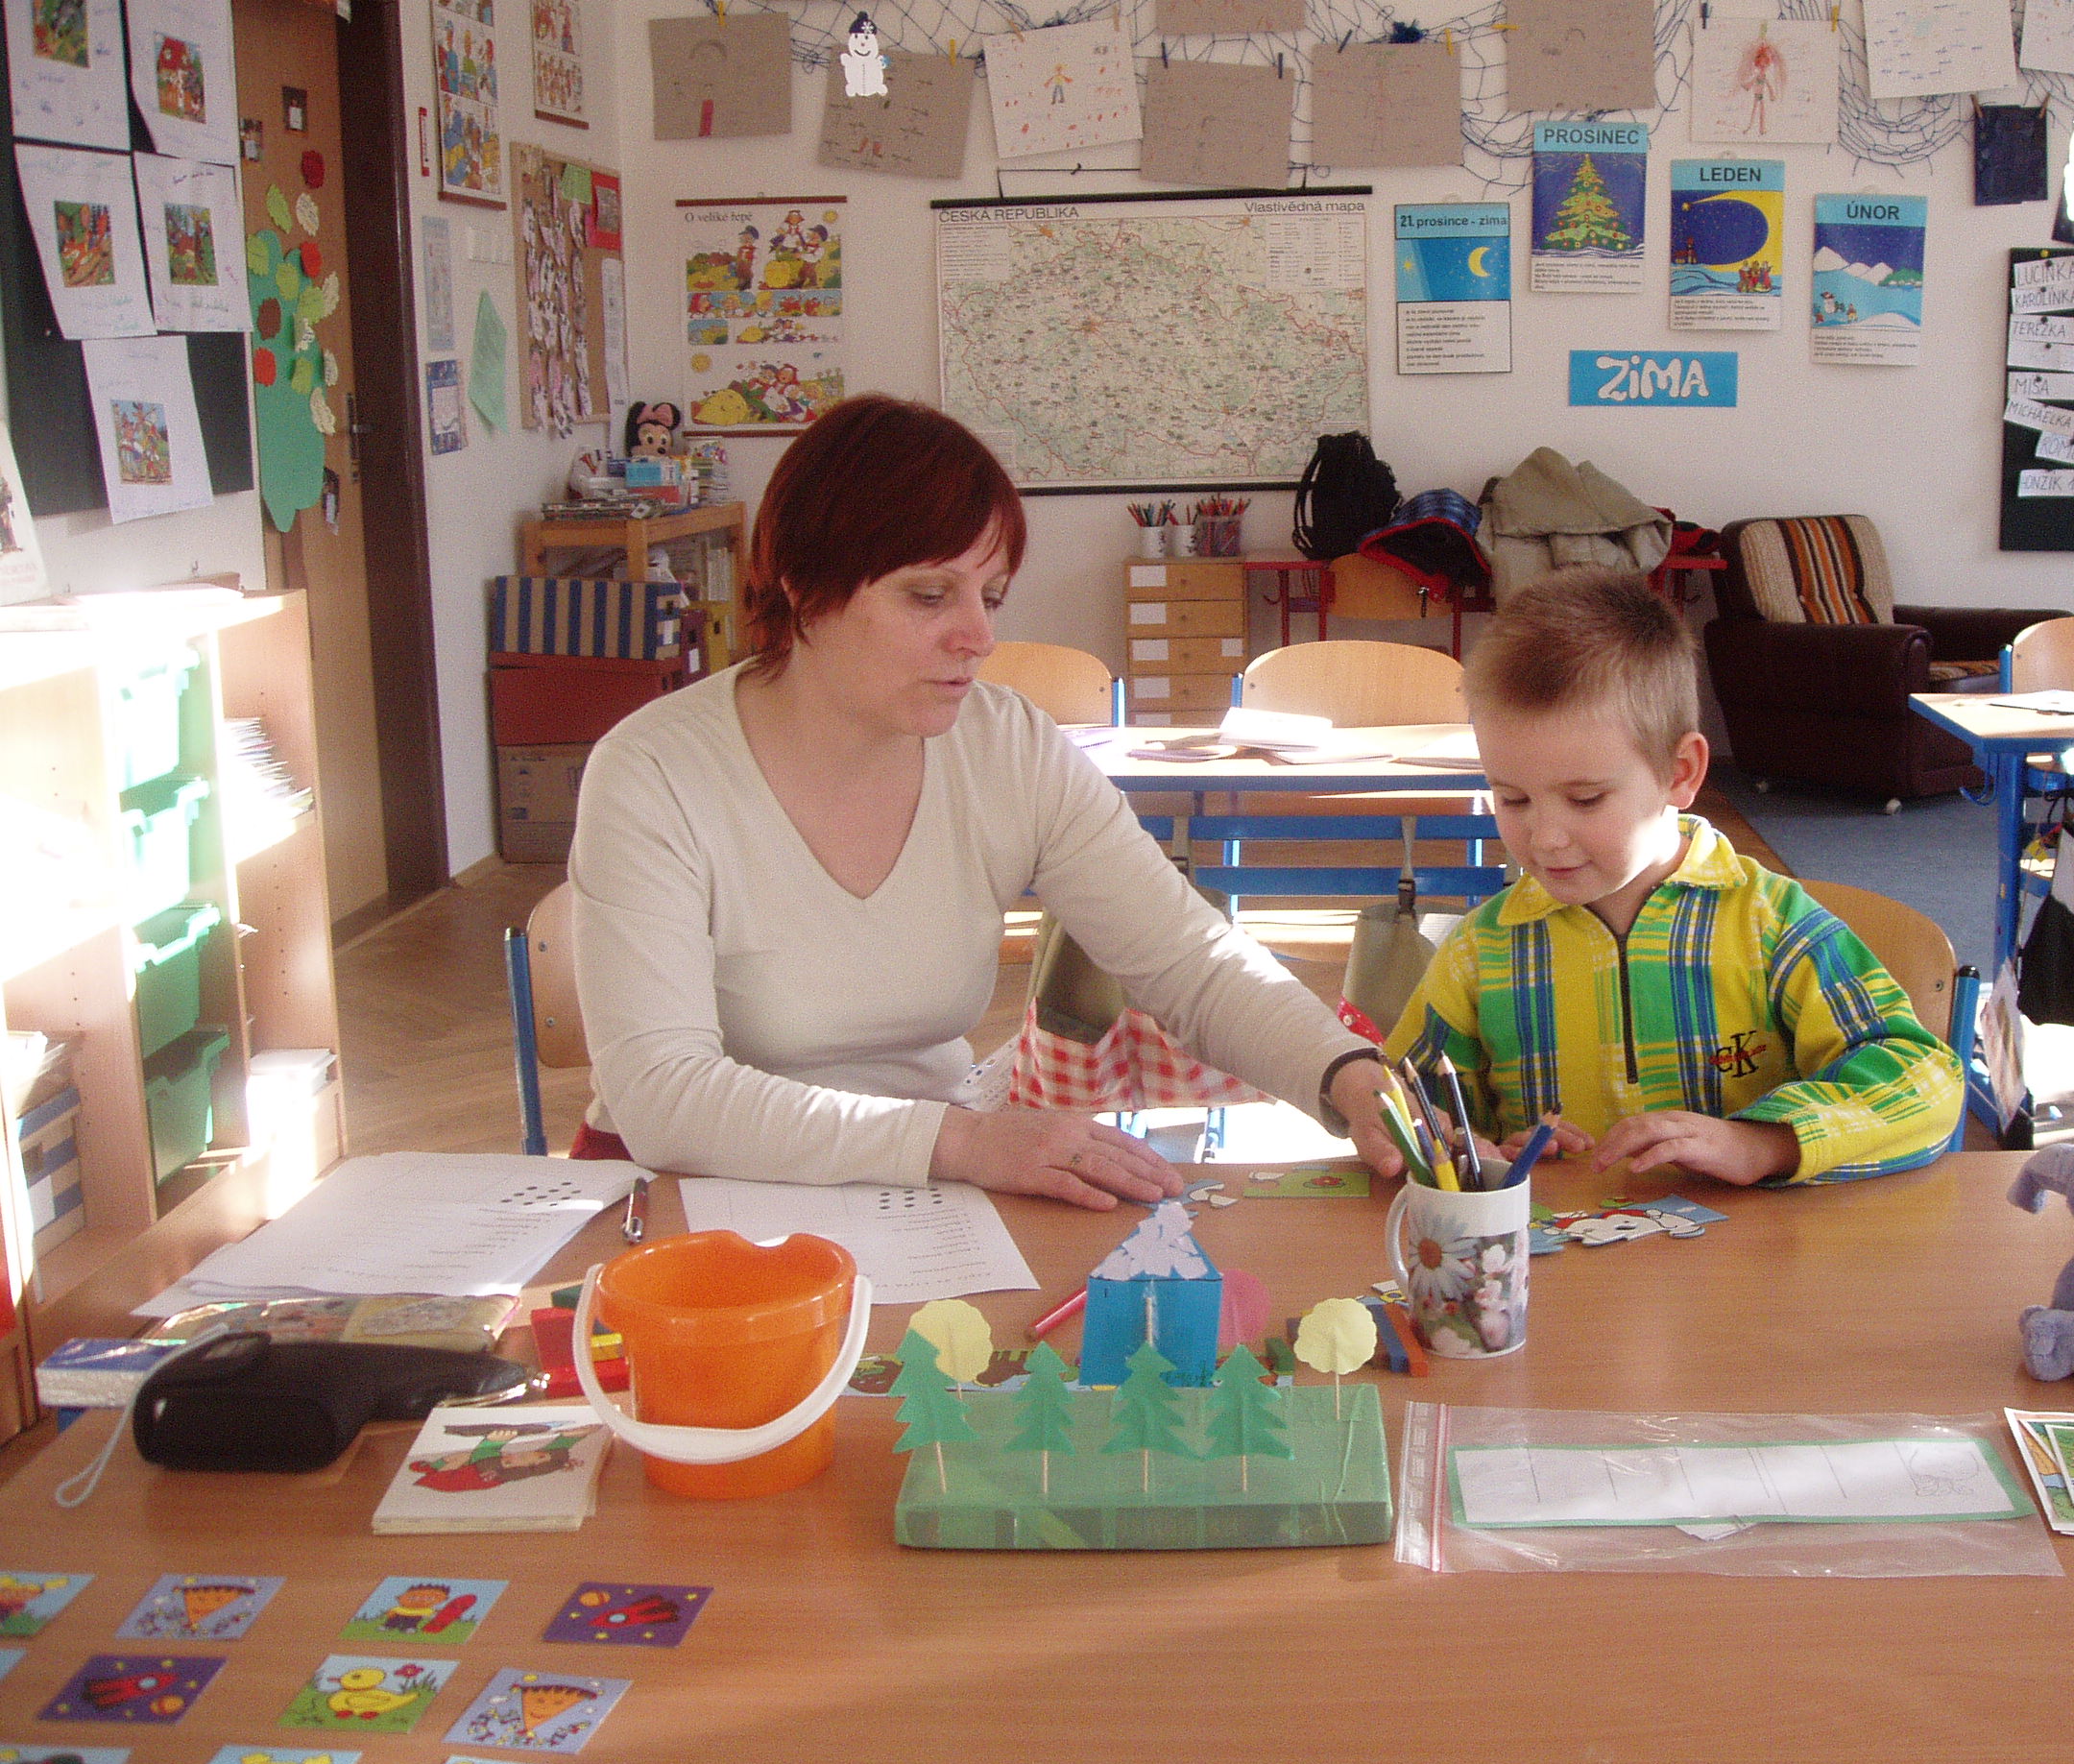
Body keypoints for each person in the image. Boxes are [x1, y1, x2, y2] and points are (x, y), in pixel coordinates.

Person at [569, 394, 1399, 1209]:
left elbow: (1189, 960)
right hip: (683, 1199)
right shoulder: (654, 772)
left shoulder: (1009, 748)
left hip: (921, 1191)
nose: (980, 636)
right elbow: (662, 1094)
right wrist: (960, 1141)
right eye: (929, 596)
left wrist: (1344, 1072)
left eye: (990, 596)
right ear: (803, 584)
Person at [1386, 568, 1963, 1186]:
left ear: (1680, 772)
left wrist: (1764, 1143)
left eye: (1585, 799)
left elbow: (1924, 1078)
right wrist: (1469, 1148)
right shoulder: (1479, 952)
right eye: (1513, 798)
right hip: (1552, 1245)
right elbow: (1405, 1103)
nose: (1545, 837)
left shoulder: (1769, 924)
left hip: (1746, 1246)